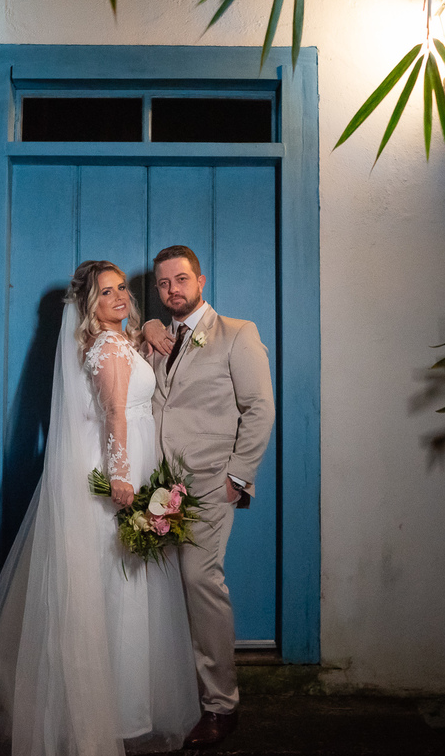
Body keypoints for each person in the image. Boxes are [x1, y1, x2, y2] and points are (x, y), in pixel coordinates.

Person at [0, 261, 200, 756]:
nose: (121, 297)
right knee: (114, 587)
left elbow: (130, 385)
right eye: (107, 293)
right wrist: (122, 475)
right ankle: (111, 712)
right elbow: (117, 413)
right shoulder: (104, 346)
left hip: (138, 461)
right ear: (90, 306)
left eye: (123, 288)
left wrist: (144, 330)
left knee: (128, 584)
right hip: (122, 469)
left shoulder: (118, 341)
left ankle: (125, 703)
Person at [141, 245, 276, 749]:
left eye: (180, 279)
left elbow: (260, 408)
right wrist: (147, 330)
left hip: (209, 482)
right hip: (159, 485)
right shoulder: (159, 335)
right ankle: (171, 695)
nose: (171, 289)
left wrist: (237, 478)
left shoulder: (237, 333)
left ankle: (222, 706)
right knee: (162, 589)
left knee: (201, 580)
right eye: (162, 283)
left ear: (201, 280)